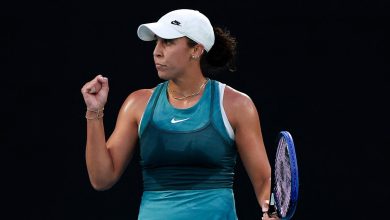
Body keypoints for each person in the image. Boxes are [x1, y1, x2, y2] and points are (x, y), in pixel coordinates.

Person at [81, 9, 279, 220]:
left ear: (196, 50)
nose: (156, 51)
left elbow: (264, 180)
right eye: (156, 42)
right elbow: (101, 179)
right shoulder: (137, 104)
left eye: (168, 42)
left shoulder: (237, 105)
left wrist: (271, 211)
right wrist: (94, 111)